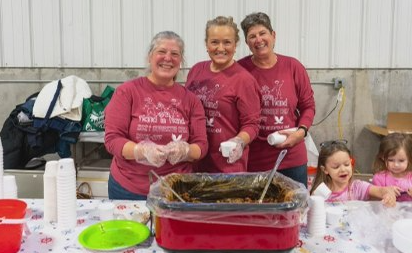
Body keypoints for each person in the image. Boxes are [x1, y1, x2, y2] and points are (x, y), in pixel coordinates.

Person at [104, 31, 208, 200]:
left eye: (175, 54)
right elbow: (112, 140)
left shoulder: (191, 100)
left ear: (180, 61)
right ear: (149, 57)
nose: (168, 58)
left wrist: (186, 150)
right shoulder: (127, 92)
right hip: (128, 188)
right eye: (161, 52)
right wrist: (141, 151)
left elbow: (201, 146)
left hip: (175, 189)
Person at [238, 12, 315, 186]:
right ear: (247, 43)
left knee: (295, 210)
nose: (258, 40)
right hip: (255, 159)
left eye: (262, 33)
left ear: (273, 35)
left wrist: (301, 132)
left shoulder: (293, 67)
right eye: (252, 36)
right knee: (258, 210)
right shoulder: (240, 70)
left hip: (291, 156)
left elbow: (308, 106)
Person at [185, 16, 261, 172]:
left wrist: (239, 141)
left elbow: (252, 124)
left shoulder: (244, 80)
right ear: (206, 44)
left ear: (235, 45)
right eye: (214, 42)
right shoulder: (196, 70)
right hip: (194, 163)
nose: (220, 48)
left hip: (227, 166)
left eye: (227, 42)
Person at [310, 140, 397, 207]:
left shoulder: (357, 187)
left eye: (347, 164)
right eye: (336, 167)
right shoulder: (320, 192)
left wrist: (387, 194)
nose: (343, 169)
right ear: (325, 170)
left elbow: (380, 190)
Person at [372, 133, 412, 203]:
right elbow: (374, 203)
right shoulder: (379, 178)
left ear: (409, 158)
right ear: (383, 157)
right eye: (391, 160)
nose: (396, 165)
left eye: (401, 160)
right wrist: (385, 193)